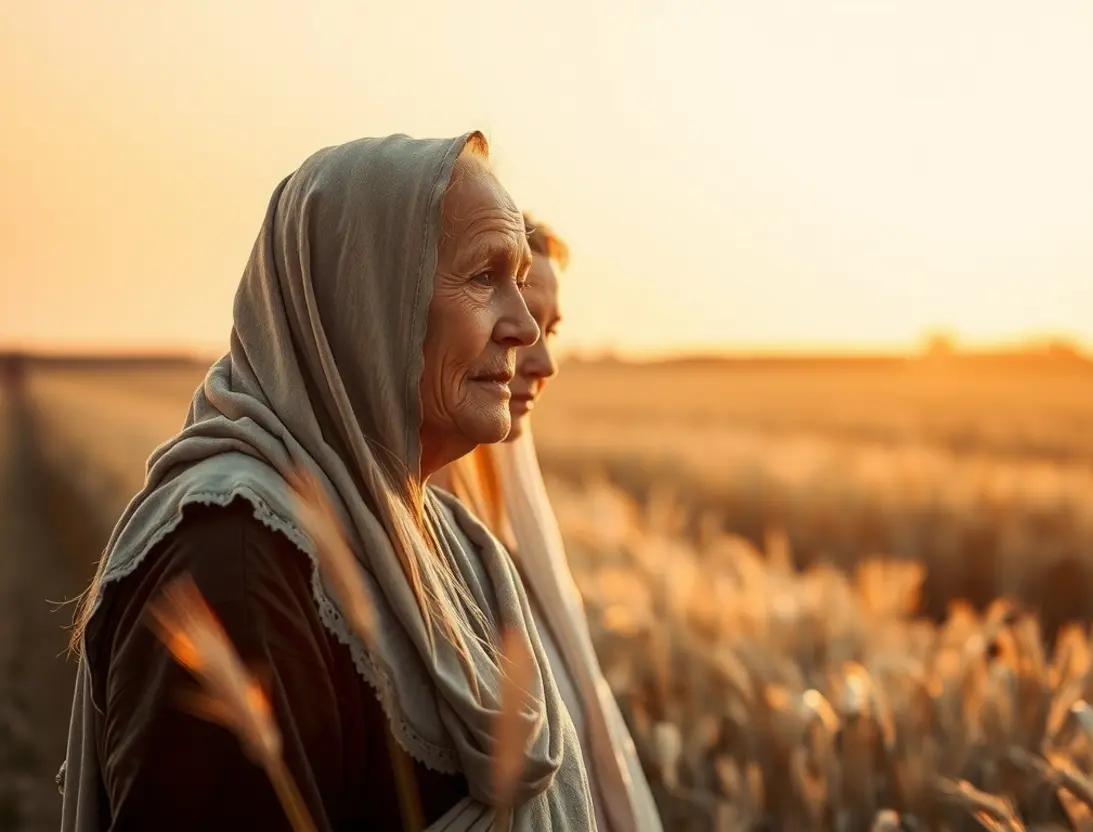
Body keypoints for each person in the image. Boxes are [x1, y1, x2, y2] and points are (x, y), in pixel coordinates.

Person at [59, 133, 604, 831]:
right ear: (365, 299)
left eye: (519, 278)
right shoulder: (233, 557)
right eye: (482, 277)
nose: (526, 330)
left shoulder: (459, 547)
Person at [432, 217, 663, 832]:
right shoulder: (403, 545)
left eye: (549, 329)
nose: (542, 362)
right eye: (518, 322)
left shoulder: (515, 540)